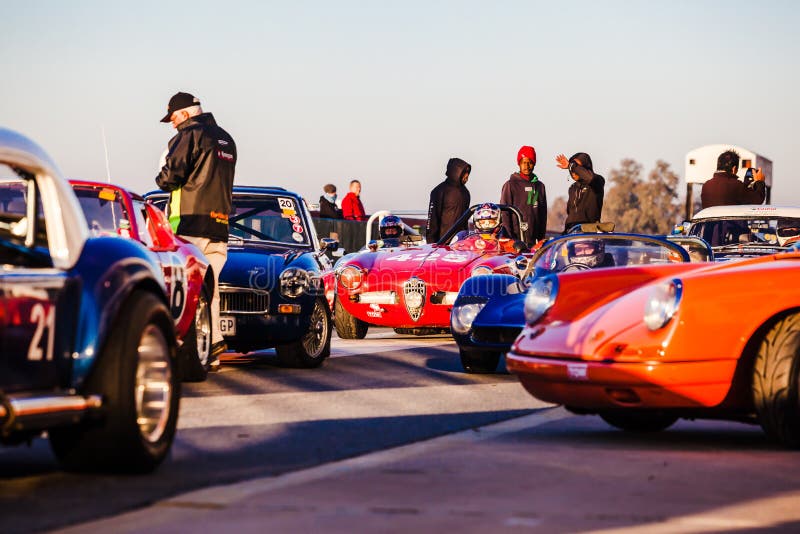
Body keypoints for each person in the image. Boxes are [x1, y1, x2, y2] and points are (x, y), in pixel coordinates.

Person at [155, 91, 235, 371]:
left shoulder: (188, 135)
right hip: (219, 225)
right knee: (209, 289)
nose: (172, 124)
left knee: (184, 289)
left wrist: (161, 175)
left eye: (173, 117)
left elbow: (170, 177)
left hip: (188, 222)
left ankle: (184, 352)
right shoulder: (227, 139)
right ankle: (214, 345)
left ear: (186, 113)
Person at [500, 145, 547, 246]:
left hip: (533, 240)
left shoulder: (540, 186)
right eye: (524, 162)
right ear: (519, 164)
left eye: (530, 162)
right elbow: (505, 213)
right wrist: (509, 239)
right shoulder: (510, 185)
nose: (527, 165)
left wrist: (541, 238)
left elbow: (542, 214)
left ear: (534, 164)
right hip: (515, 239)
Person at [556, 152, 605, 233]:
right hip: (572, 235)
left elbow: (590, 178)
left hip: (590, 235)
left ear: (586, 166)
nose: (573, 171)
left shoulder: (597, 181)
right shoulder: (572, 188)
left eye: (577, 166)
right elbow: (571, 216)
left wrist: (571, 165)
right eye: (572, 167)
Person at [700, 150, 766, 209]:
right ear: (734, 168)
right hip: (732, 223)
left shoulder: (706, 186)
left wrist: (744, 185)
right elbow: (758, 199)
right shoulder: (737, 185)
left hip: (708, 223)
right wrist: (760, 182)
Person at [426, 157, 471, 242]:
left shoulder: (466, 192)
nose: (467, 176)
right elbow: (432, 221)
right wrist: (431, 244)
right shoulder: (439, 191)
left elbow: (465, 220)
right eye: (465, 172)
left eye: (468, 173)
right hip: (443, 243)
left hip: (462, 242)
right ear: (456, 172)